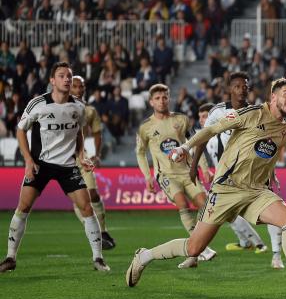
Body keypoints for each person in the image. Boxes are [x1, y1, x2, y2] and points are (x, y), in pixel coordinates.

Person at [126, 79, 286, 294]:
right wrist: (186, 147)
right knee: (194, 248)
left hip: (255, 191)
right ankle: (144, 256)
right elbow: (211, 129)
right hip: (226, 189)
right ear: (274, 96)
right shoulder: (250, 113)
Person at [0, 62, 110, 273]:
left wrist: (80, 154)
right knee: (23, 208)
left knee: (87, 208)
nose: (67, 79)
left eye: (69, 76)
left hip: (68, 166)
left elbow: (79, 132)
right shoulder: (38, 104)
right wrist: (28, 161)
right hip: (40, 164)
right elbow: (21, 131)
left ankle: (98, 258)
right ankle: (10, 257)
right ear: (52, 81)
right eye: (62, 76)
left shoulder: (78, 106)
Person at [189, 73, 278, 267]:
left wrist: (271, 172)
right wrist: (195, 164)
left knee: (272, 208)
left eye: (245, 86)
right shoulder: (218, 112)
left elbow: (268, 143)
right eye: (237, 86)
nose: (242, 89)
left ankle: (276, 254)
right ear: (230, 89)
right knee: (211, 213)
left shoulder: (258, 111)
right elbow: (204, 136)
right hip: (226, 175)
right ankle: (195, 254)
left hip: (253, 171)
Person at [135, 84, 217, 269]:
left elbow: (197, 143)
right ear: (151, 102)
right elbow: (140, 153)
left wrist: (204, 168)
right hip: (166, 175)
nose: (161, 101)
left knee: (205, 205)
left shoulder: (181, 119)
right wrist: (147, 176)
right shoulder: (146, 127)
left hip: (187, 172)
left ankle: (193, 255)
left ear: (169, 98)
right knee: (182, 203)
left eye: (164, 97)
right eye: (157, 98)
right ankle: (202, 249)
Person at [70, 75, 116, 249]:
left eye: (81, 86)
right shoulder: (58, 108)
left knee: (93, 194)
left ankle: (102, 232)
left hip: (82, 156)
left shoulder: (90, 111)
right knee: (79, 200)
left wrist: (97, 155)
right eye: (75, 86)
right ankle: (94, 233)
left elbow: (97, 133)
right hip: (64, 159)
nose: (79, 89)